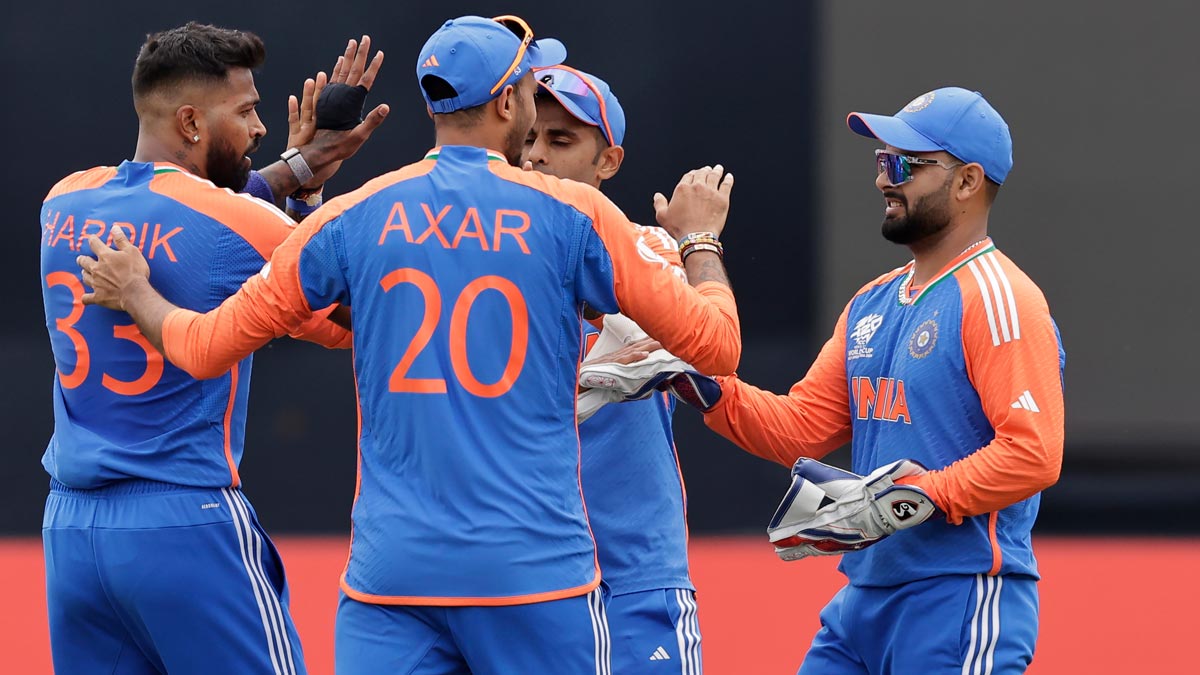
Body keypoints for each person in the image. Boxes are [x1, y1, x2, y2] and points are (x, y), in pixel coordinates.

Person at [75, 14, 741, 675]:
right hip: (533, 577)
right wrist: (701, 242)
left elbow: (202, 346)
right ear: (507, 103)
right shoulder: (577, 215)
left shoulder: (353, 216)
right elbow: (717, 347)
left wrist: (137, 291)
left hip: (391, 586)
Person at [39, 23, 386, 674]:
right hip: (184, 520)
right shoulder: (243, 224)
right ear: (192, 122)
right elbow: (350, 322)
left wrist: (296, 166)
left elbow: (196, 206)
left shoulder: (63, 201)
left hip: (70, 531)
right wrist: (308, 191)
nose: (260, 128)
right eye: (247, 111)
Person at [689, 87, 1065, 673]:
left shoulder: (1002, 297)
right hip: (863, 600)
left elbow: (1033, 454)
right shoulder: (873, 300)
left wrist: (914, 497)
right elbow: (799, 429)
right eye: (882, 161)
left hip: (960, 595)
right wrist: (695, 379)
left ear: (967, 181)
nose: (883, 179)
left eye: (904, 165)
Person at [523, 64, 703, 672]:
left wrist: (698, 245)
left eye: (560, 140)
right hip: (521, 585)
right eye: (529, 136)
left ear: (609, 161)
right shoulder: (478, 263)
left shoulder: (649, 248)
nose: (536, 155)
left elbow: (694, 346)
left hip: (631, 577)